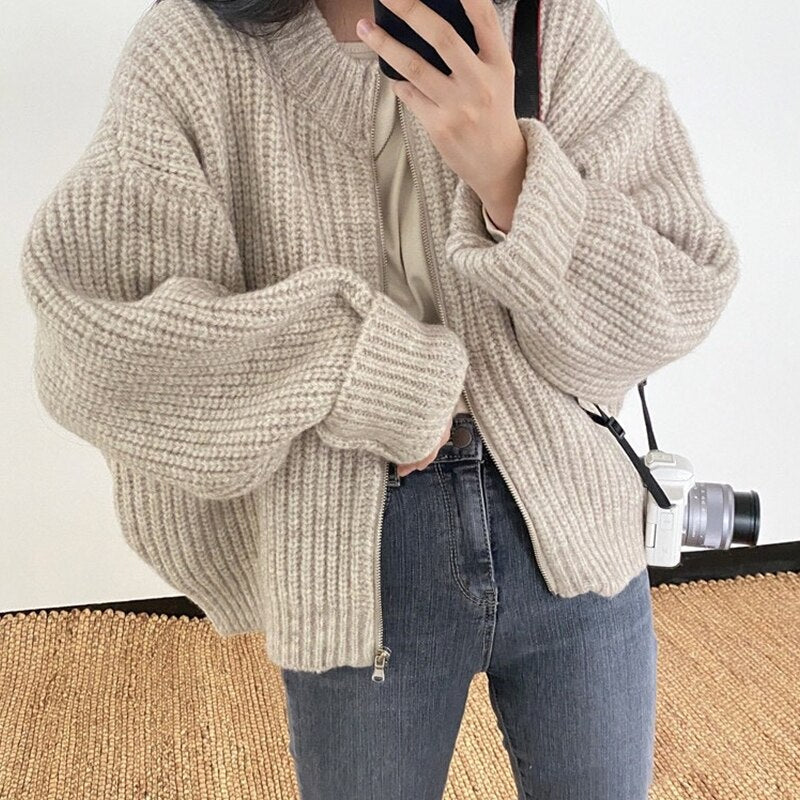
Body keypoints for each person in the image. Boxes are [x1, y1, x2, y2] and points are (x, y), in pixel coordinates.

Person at [19, 0, 740, 796]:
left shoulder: (546, 22)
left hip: (577, 527)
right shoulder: (197, 50)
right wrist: (367, 367)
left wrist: (512, 177)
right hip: (351, 565)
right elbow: (95, 339)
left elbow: (682, 283)